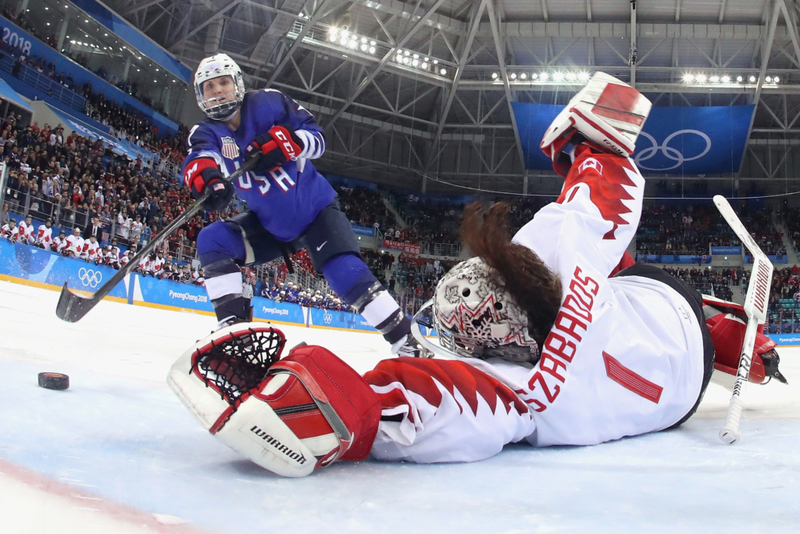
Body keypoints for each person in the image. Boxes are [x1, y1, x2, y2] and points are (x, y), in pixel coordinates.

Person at [168, 73, 787, 478]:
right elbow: (610, 184)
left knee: (633, 290)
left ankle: (740, 347)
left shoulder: (520, 391)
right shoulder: (557, 251)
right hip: (668, 316)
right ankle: (747, 348)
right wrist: (586, 139)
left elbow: (426, 401)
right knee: (629, 280)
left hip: (677, 376)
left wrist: (325, 404)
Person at [181, 53, 418, 354]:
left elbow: (317, 137)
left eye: (223, 82)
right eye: (209, 86)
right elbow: (199, 159)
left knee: (343, 271)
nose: (217, 90)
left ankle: (406, 340)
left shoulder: (268, 102)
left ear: (237, 83)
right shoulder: (204, 133)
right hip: (270, 226)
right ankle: (234, 329)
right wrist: (207, 179)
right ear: (200, 96)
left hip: (316, 212)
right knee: (212, 240)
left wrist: (291, 143)